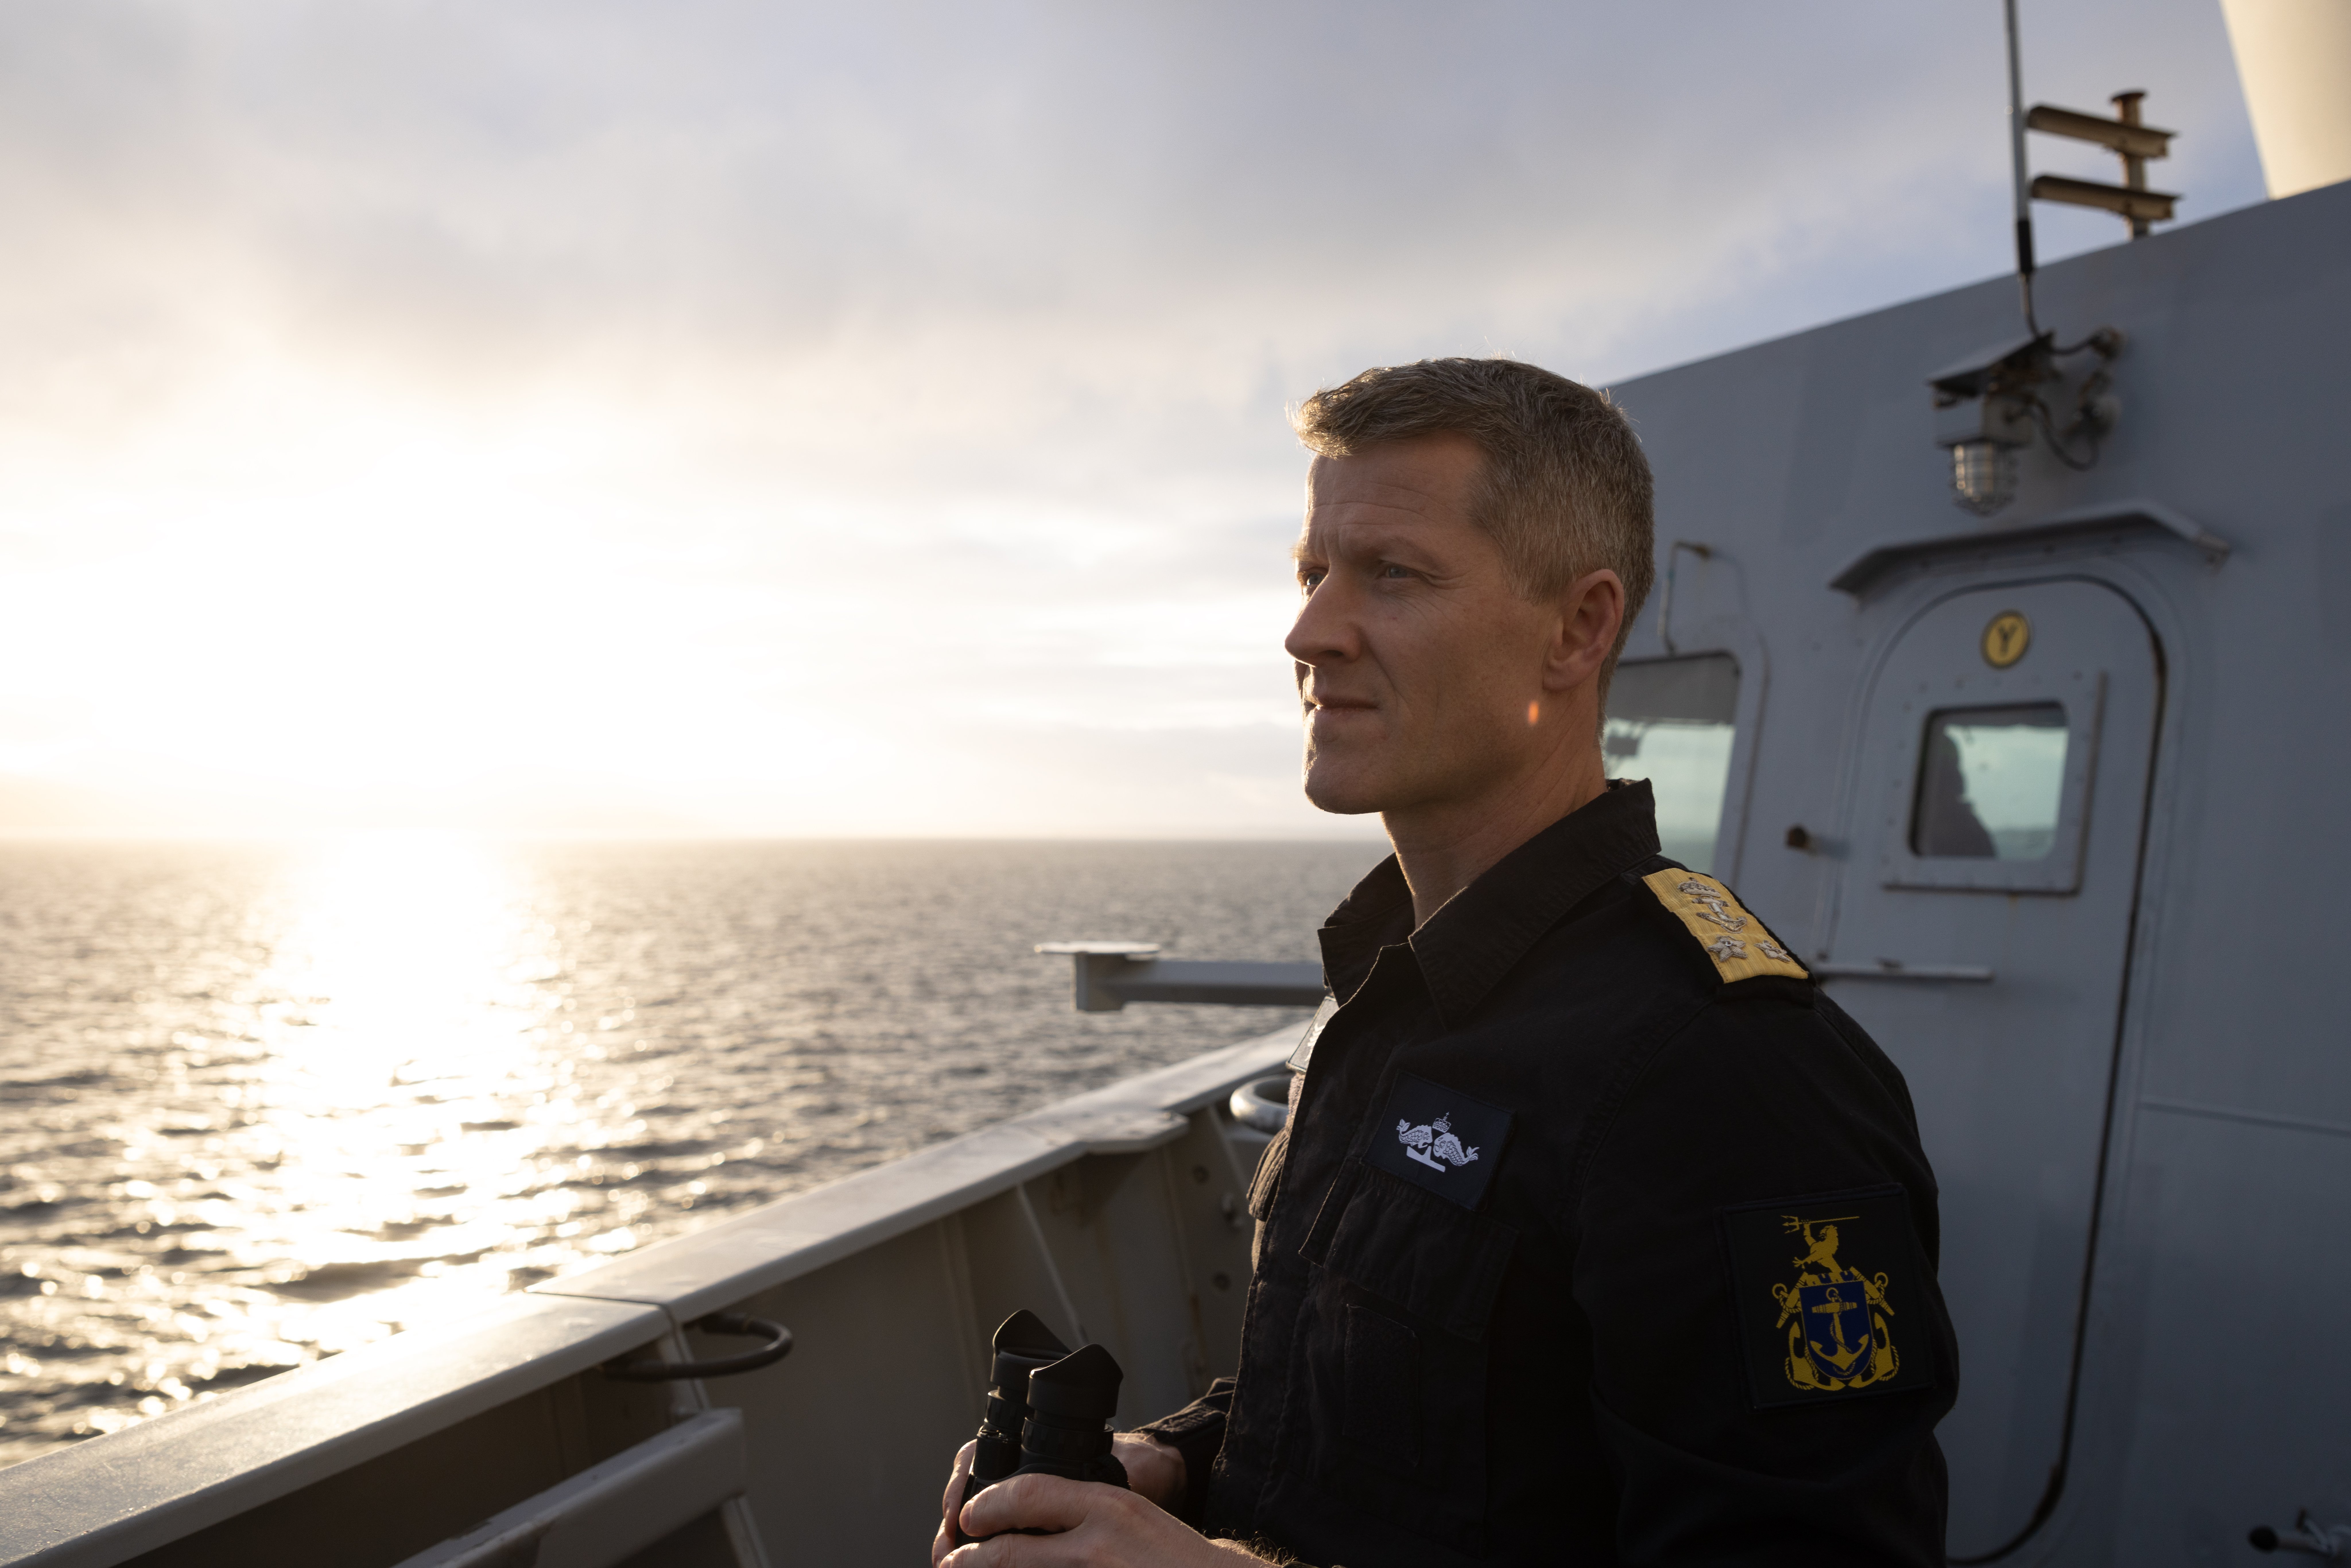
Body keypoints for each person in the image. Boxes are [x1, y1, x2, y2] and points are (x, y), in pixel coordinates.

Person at [936, 357, 1957, 1566]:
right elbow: (1410, 1415)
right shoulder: (1394, 984)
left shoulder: (1724, 1071)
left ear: (1576, 629)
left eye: (1393, 575)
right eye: (1313, 571)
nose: (1308, 631)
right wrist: (1176, 1459)